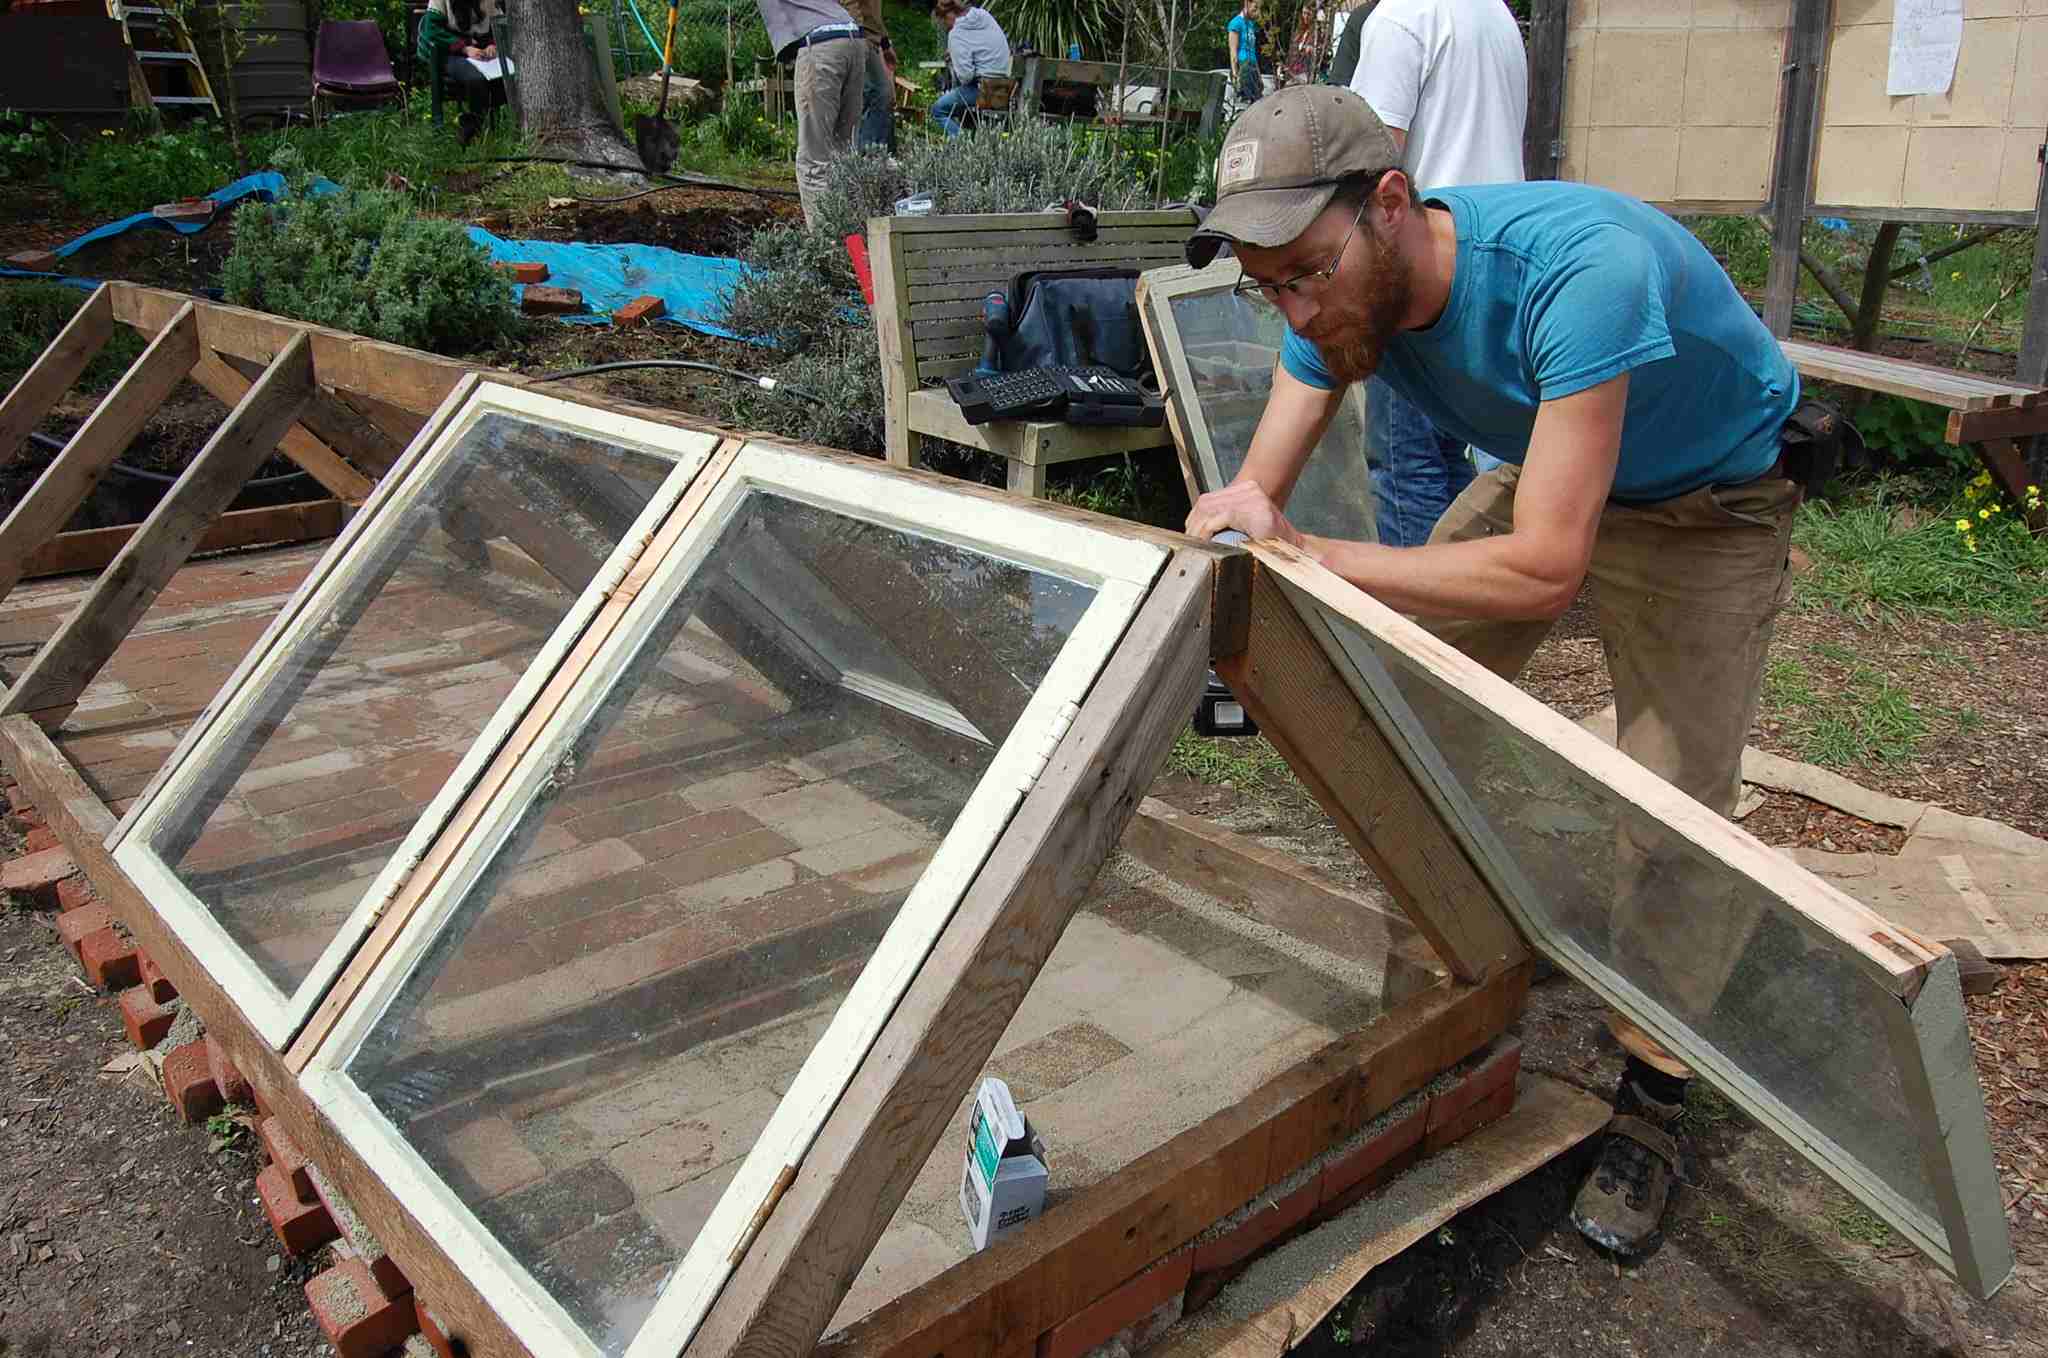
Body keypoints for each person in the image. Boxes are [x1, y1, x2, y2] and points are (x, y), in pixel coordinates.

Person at [1183, 87, 1810, 1261]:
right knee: (1401, 723)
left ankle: (1652, 1098)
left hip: (1704, 508)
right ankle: (1433, 1001)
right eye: (1268, 286)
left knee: (1667, 809)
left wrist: (1313, 555)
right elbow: (1259, 498)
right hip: (1552, 474)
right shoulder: (1316, 287)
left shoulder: (1580, 271)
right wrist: (1234, 525)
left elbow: (1537, 574)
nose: (1296, 309)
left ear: (1388, 205)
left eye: (1308, 274)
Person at [1347, 0, 1526, 545]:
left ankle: (1414, 620)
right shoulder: (1492, 13)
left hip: (1421, 268)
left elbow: (1368, 163)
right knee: (1453, 450)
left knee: (1406, 461)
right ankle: (1474, 603)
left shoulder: (1400, 19)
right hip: (1495, 251)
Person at [753, 0, 867, 226]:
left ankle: (826, 246)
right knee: (843, 153)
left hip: (821, 45)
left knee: (813, 160)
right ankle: (855, 238)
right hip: (852, 38)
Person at [416, 0, 505, 136]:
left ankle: (494, 126)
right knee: (476, 78)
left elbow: (499, 24)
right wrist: (464, 48)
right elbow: (431, 30)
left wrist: (493, 44)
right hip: (452, 54)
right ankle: (475, 130)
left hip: (483, 52)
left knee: (504, 76)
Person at [930, 0, 1011, 139]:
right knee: (960, 103)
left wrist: (955, 60)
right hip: (1005, 88)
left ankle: (963, 145)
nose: (945, 27)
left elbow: (966, 76)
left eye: (943, 22)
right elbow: (981, 45)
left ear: (948, 15)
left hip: (984, 90)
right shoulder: (984, 15)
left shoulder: (956, 33)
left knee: (938, 110)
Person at [846, 0, 898, 152]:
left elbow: (872, 14)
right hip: (859, 37)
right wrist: (856, 32)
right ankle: (867, 154)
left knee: (878, 94)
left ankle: (868, 153)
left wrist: (885, 44)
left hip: (870, 38)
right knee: (878, 92)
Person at [1226, 1, 1261, 107]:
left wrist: (1258, 73)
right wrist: (1235, 74)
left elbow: (1252, 50)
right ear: (1247, 3)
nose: (1257, 12)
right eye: (1255, 8)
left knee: (1257, 101)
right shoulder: (1236, 23)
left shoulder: (1250, 24)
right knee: (1247, 102)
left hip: (1253, 66)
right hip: (1243, 65)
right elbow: (1233, 50)